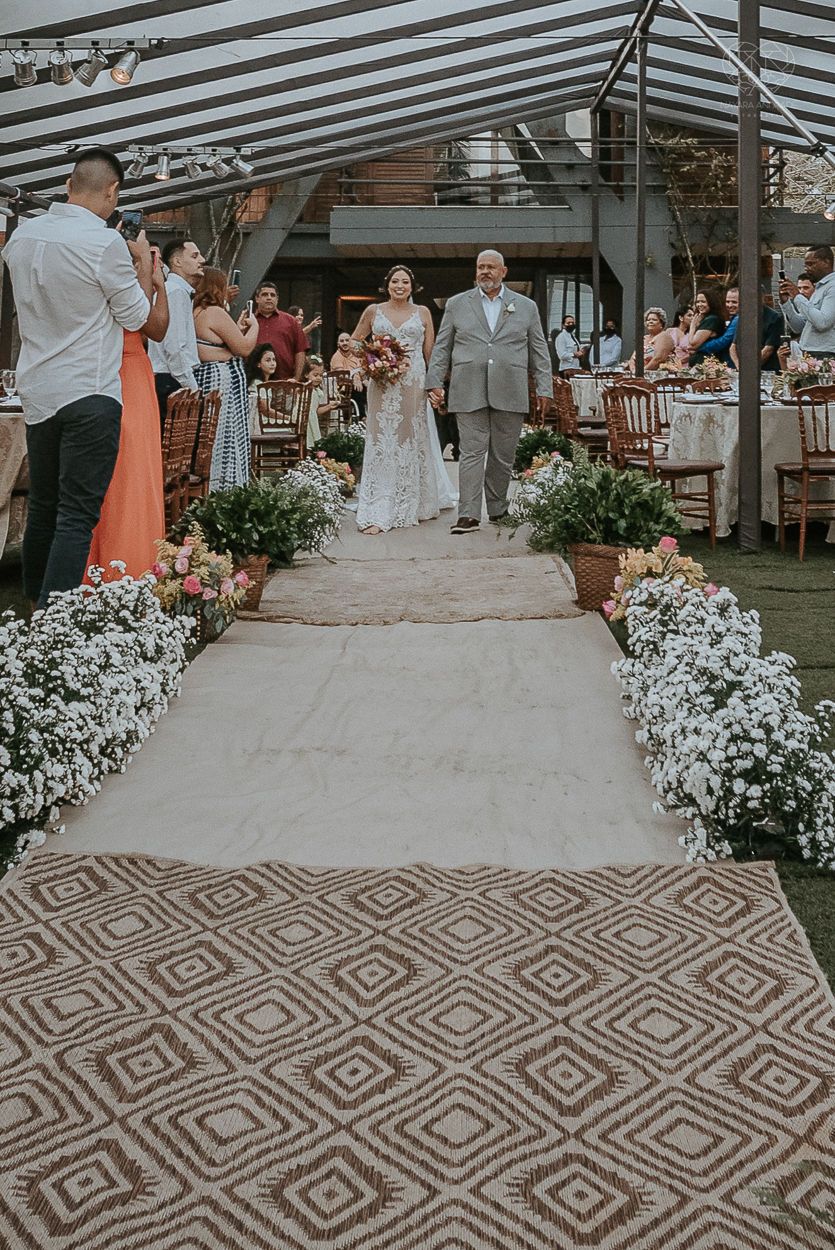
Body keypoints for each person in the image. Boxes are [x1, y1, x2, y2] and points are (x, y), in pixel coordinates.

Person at [1, 147, 151, 610]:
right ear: (113, 192)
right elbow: (137, 315)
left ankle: (32, 607)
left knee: (45, 506)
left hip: (39, 389)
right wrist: (141, 262)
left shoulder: (22, 236)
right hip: (90, 390)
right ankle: (56, 621)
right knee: (77, 514)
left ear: (68, 185)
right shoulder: (104, 243)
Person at [427, 249, 552, 533]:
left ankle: (497, 509)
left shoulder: (526, 306)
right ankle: (468, 514)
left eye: (491, 267)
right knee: (470, 452)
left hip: (511, 388)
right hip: (467, 387)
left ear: (503, 272)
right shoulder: (458, 304)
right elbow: (443, 345)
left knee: (503, 454)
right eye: (480, 267)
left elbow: (539, 351)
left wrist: (545, 388)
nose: (485, 271)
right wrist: (434, 380)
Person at [353, 264, 454, 534]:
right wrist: (371, 357)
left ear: (413, 287)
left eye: (405, 282)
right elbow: (355, 342)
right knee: (382, 438)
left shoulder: (422, 312)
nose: (400, 286)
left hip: (413, 381)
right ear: (387, 285)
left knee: (409, 438)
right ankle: (380, 503)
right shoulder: (373, 311)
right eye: (395, 281)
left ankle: (412, 501)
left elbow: (429, 351)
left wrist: (436, 387)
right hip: (381, 382)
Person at [85, 260, 169, 581]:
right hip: (126, 373)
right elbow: (156, 327)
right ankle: (127, 567)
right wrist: (154, 280)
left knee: (130, 472)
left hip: (126, 370)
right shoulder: (119, 281)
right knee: (130, 473)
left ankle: (109, 565)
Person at [193, 266, 259, 490]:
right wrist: (254, 327)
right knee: (225, 435)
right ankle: (225, 487)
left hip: (204, 377)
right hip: (220, 381)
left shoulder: (195, 312)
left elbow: (212, 342)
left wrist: (237, 327)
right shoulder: (215, 311)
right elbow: (244, 347)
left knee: (209, 436)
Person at [147, 237, 205, 425]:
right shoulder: (175, 292)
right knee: (182, 451)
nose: (202, 260)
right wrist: (192, 388)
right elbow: (175, 348)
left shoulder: (174, 290)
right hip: (172, 382)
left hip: (169, 380)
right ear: (177, 261)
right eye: (194, 255)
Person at [779, 246, 835, 360]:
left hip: (825, 354)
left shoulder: (832, 287)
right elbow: (799, 327)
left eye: (811, 264)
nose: (807, 268)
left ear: (826, 262)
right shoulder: (819, 288)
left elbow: (823, 322)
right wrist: (786, 303)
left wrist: (797, 296)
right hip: (810, 353)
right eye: (805, 265)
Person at [255, 283, 307, 379]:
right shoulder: (248, 321)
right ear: (257, 298)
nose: (269, 298)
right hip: (252, 384)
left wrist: (296, 379)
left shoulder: (291, 322)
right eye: (265, 294)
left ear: (277, 299)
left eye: (272, 295)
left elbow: (300, 351)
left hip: (285, 383)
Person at [302, 355, 340, 447]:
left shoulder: (316, 391)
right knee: (308, 442)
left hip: (312, 419)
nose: (318, 378)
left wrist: (329, 406)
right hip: (305, 421)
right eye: (315, 375)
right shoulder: (305, 388)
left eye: (320, 375)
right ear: (306, 374)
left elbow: (315, 411)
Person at [330, 330, 366, 419]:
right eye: (342, 341)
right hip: (343, 388)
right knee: (357, 390)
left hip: (358, 384)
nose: (345, 343)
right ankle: (362, 418)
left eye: (347, 340)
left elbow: (362, 372)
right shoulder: (337, 357)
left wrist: (365, 380)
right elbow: (341, 375)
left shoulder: (355, 355)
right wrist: (355, 381)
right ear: (338, 344)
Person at [246, 342, 279, 435]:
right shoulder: (257, 384)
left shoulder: (266, 383)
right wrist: (288, 418)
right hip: (259, 423)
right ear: (258, 364)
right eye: (268, 360)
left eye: (274, 360)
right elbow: (266, 410)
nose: (272, 364)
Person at [628, 308, 675, 372]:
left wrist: (642, 372)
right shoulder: (644, 338)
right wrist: (633, 371)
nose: (650, 321)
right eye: (648, 320)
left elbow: (659, 359)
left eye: (654, 320)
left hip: (658, 374)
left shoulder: (664, 336)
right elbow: (632, 359)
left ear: (661, 323)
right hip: (640, 374)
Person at [701, 288, 739, 367]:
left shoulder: (738, 319)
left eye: (734, 302)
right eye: (727, 302)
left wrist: (700, 347)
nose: (730, 305)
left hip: (733, 365)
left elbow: (724, 341)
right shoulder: (733, 318)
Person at [688, 289, 726, 366]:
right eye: (697, 302)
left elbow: (693, 344)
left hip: (706, 365)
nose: (699, 305)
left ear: (711, 302)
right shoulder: (706, 319)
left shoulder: (711, 319)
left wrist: (692, 326)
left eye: (703, 302)